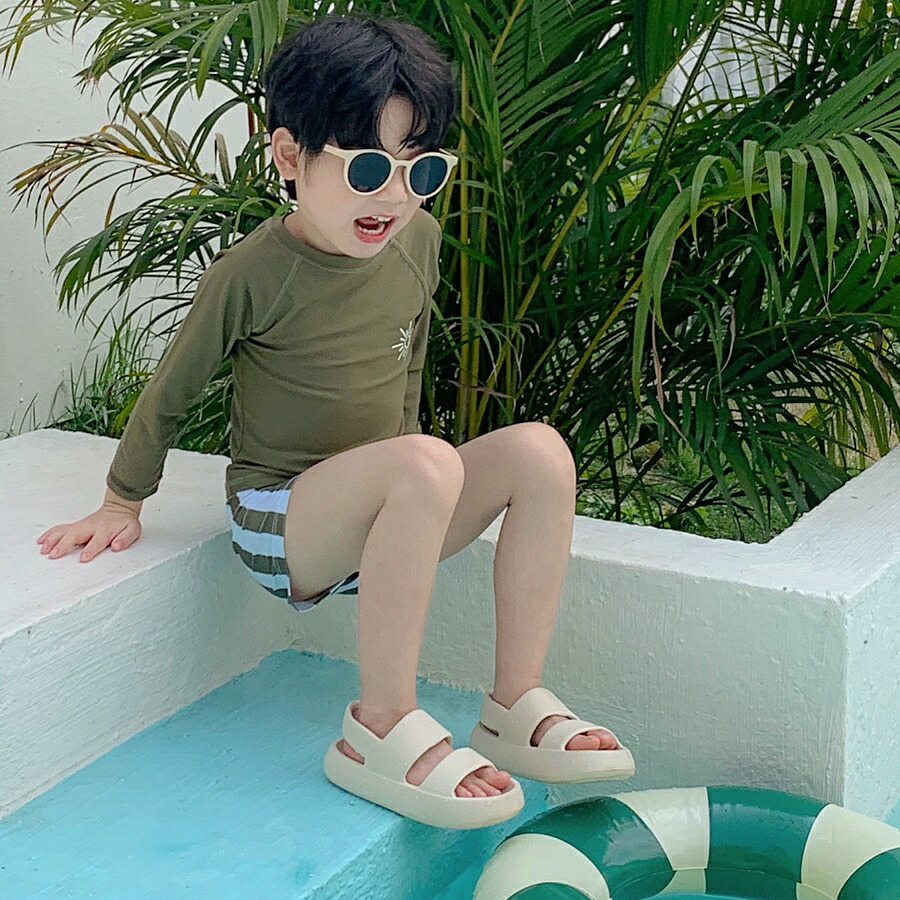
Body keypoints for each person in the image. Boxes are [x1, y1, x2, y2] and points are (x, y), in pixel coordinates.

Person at [35, 13, 635, 830]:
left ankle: (514, 702)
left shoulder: (418, 240)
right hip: (281, 523)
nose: (395, 196)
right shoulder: (254, 272)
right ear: (290, 157)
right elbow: (171, 390)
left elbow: (409, 363)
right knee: (424, 460)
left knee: (541, 453)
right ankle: (378, 728)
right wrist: (121, 499)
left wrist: (419, 492)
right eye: (368, 168)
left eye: (422, 171)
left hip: (387, 517)